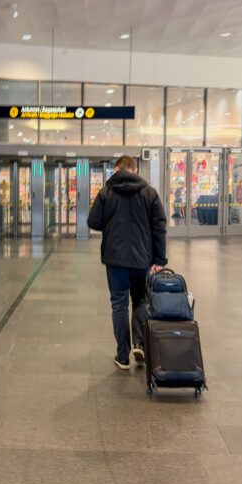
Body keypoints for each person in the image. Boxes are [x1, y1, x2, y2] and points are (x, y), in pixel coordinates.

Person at [88, 155, 168, 370]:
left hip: (115, 259)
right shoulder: (150, 193)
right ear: (134, 170)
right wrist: (160, 258)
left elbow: (93, 221)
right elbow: (159, 226)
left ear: (116, 169)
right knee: (140, 300)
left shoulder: (106, 192)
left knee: (119, 305)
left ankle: (122, 356)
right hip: (142, 258)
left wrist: (111, 222)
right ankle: (138, 343)